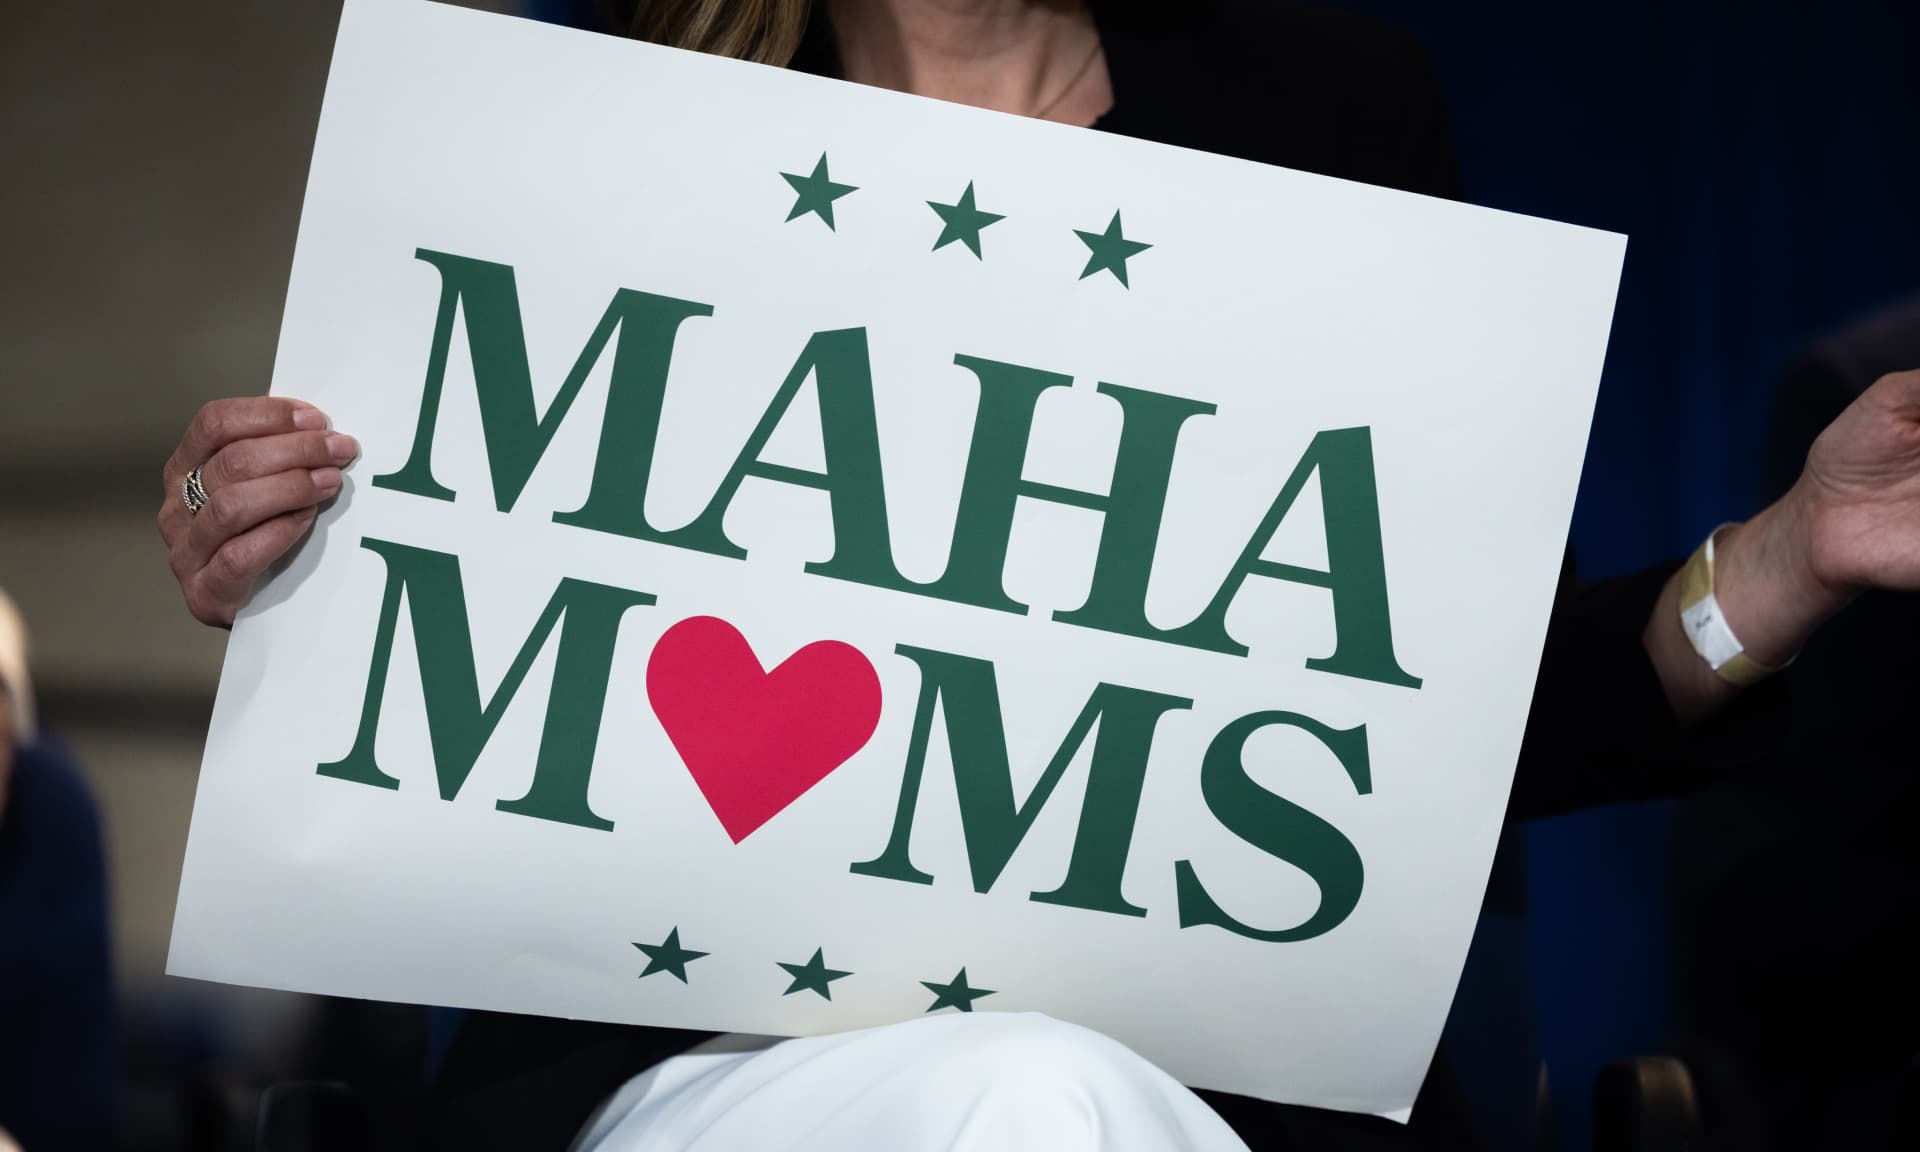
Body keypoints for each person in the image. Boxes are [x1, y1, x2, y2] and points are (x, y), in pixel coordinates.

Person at [154, 1, 1920, 1147]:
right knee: (1018, 1096)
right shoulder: (599, 101)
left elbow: (1439, 725)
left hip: (1203, 1091)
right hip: (673, 1081)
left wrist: (1776, 564)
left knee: (1044, 1094)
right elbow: (453, 613)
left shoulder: (1327, 111)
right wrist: (288, 549)